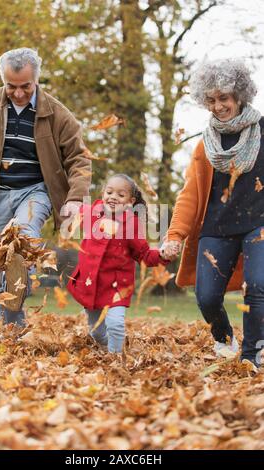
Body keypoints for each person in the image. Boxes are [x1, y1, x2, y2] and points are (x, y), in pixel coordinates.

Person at [0, 47, 91, 326]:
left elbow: (79, 158)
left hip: (35, 192)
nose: (19, 93)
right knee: (1, 267)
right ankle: (14, 336)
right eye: (11, 86)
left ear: (36, 80)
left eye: (25, 86)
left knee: (20, 236)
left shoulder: (56, 113)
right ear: (3, 80)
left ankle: (22, 272)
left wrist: (75, 197)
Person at [161, 58, 264, 368]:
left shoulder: (262, 132)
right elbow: (190, 194)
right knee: (206, 297)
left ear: (240, 96)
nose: (218, 106)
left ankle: (252, 357)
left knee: (259, 288)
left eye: (225, 98)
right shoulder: (205, 146)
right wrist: (175, 234)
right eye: (212, 100)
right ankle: (224, 338)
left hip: (258, 225)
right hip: (216, 228)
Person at [67, 174, 169, 353]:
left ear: (131, 201)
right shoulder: (91, 212)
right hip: (92, 284)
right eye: (109, 192)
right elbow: (72, 211)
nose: (113, 197)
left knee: (114, 325)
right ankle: (107, 346)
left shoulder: (132, 224)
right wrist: (68, 206)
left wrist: (162, 254)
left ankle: (115, 359)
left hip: (117, 287)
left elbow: (143, 254)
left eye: (120, 195)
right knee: (96, 332)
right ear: (103, 193)